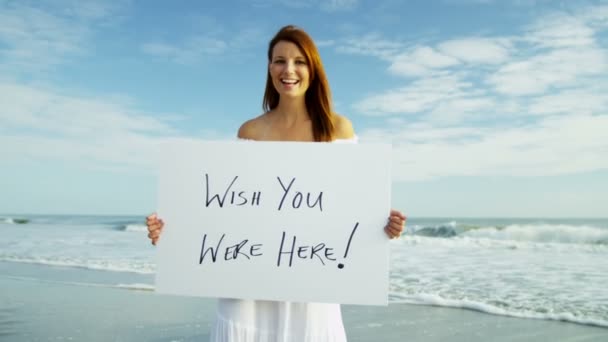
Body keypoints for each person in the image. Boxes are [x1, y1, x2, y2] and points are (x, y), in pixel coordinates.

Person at [146, 24, 406, 342]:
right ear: (269, 68)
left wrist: (381, 226)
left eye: (299, 61)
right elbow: (225, 208)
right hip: (247, 289)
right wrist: (172, 234)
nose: (289, 70)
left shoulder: (337, 129)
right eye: (279, 60)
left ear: (313, 68)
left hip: (312, 283)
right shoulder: (250, 131)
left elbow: (350, 206)